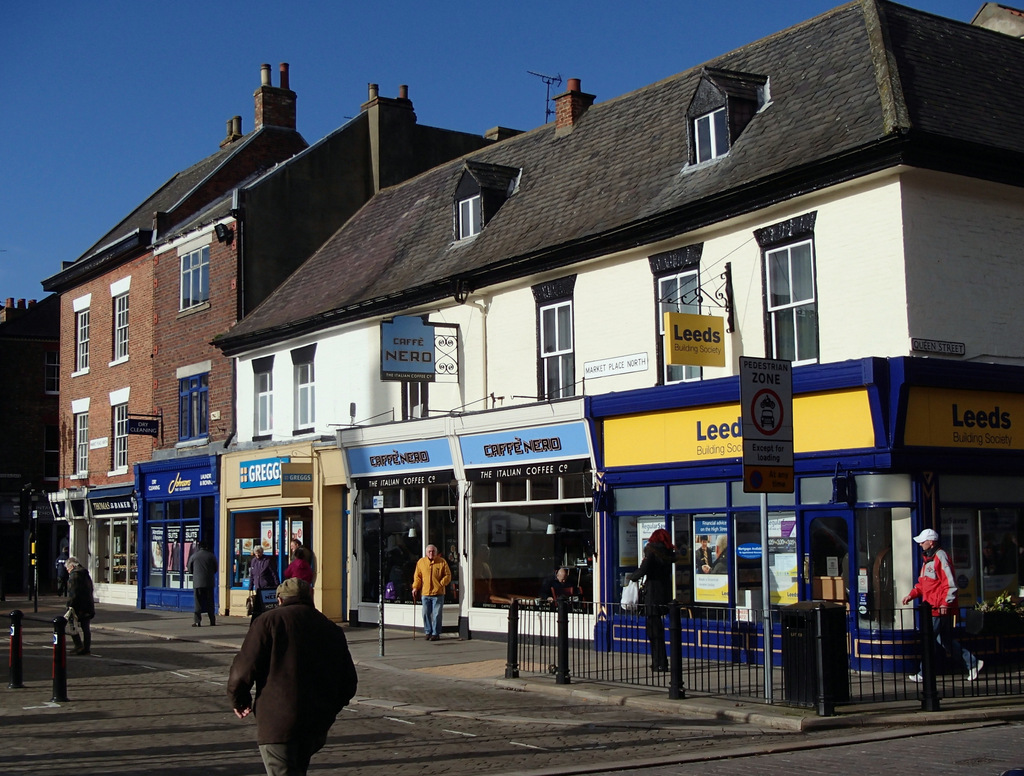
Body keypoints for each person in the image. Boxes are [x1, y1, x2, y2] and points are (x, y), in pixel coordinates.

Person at [228, 578, 358, 776]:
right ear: (310, 597)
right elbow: (348, 683)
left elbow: (242, 670)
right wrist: (328, 710)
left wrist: (239, 700)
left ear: (279, 600)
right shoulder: (330, 628)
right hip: (314, 724)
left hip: (277, 722)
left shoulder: (267, 621)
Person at [901, 528, 983, 682]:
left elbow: (950, 583)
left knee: (929, 639)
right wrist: (911, 595)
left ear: (930, 542)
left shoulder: (940, 557)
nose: (920, 544)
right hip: (934, 607)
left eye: (922, 542)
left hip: (938, 608)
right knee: (943, 640)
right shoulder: (928, 559)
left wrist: (945, 603)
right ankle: (972, 663)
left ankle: (923, 673)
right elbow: (923, 585)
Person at [628, 528, 675, 672]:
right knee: (658, 631)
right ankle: (662, 661)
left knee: (653, 632)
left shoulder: (651, 550)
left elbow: (643, 570)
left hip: (653, 595)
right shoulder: (668, 553)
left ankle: (658, 663)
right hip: (664, 593)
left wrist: (631, 577)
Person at [411, 544, 451, 641]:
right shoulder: (421, 562)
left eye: (433, 551)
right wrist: (415, 587)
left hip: (438, 593)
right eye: (429, 551)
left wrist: (441, 583)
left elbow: (448, 575)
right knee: (425, 613)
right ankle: (428, 631)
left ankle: (435, 633)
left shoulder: (442, 562)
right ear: (426, 552)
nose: (431, 553)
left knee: (437, 614)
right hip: (425, 593)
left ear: (436, 553)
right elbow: (418, 577)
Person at [65, 556, 95, 655]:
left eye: (68, 569)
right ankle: (86, 649)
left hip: (78, 606)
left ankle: (78, 646)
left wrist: (69, 605)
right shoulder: (86, 574)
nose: (68, 571)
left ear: (72, 567)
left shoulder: (74, 576)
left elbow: (73, 593)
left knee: (72, 626)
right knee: (86, 628)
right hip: (88, 604)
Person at [187, 541, 218, 627]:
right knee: (210, 602)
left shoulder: (194, 556)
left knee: (198, 602)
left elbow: (189, 569)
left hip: (197, 582)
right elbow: (216, 568)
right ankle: (212, 621)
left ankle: (197, 621)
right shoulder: (211, 556)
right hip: (209, 582)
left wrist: (195, 574)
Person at [249, 545, 279, 623]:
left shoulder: (267, 561)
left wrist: (277, 585)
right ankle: (259, 620)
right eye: (256, 553)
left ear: (262, 552)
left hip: (266, 586)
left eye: (259, 553)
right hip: (257, 587)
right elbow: (252, 575)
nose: (258, 555)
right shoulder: (253, 561)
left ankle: (267, 619)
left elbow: (274, 573)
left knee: (266, 605)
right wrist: (250, 586)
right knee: (258, 606)